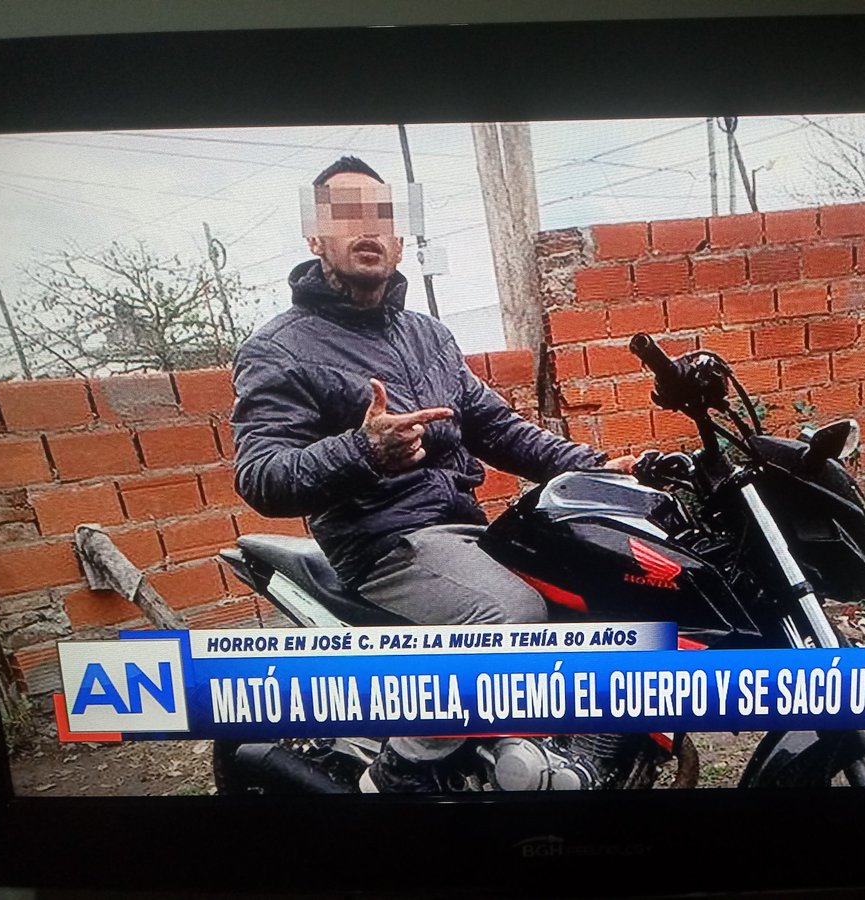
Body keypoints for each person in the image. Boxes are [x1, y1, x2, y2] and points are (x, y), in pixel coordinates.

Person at [231, 156, 635, 789]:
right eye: (346, 214)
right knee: (510, 616)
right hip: (384, 544)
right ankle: (401, 773)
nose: (368, 227)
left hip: (463, 530)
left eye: (384, 215)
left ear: (400, 238)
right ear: (314, 236)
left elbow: (498, 428)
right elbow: (261, 475)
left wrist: (599, 467)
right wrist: (363, 451)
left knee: (597, 586)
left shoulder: (428, 337)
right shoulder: (279, 348)